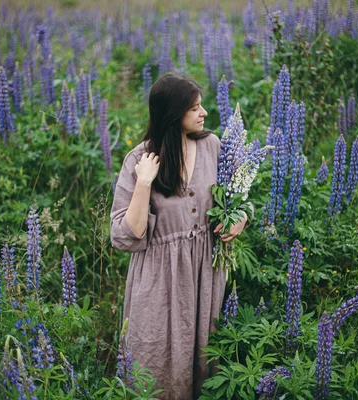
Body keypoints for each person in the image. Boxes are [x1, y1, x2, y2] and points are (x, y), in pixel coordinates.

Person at [110, 72, 250, 399]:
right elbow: (124, 236)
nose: (203, 113)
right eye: (194, 109)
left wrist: (241, 217)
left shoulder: (214, 147)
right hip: (159, 282)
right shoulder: (139, 160)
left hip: (205, 275)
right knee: (155, 361)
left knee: (203, 362)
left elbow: (240, 196)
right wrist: (144, 182)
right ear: (174, 116)